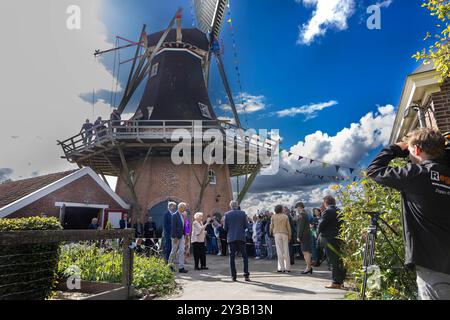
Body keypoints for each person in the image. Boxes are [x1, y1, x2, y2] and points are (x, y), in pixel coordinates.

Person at [366, 128, 450, 300]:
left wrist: (396, 149)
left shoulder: (416, 174)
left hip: (432, 263)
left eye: (410, 150)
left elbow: (374, 170)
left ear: (417, 149)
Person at [318, 195, 346, 289]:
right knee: (338, 260)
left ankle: (336, 282)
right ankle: (340, 281)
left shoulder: (328, 211)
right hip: (338, 238)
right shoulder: (339, 210)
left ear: (326, 202)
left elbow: (321, 225)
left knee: (333, 261)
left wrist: (318, 233)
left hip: (329, 239)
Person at [224, 201, 250, 282]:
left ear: (231, 206)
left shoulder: (227, 214)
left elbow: (225, 228)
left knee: (232, 257)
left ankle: (233, 276)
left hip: (231, 238)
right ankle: (246, 275)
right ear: (237, 205)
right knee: (244, 257)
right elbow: (246, 226)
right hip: (241, 237)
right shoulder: (243, 213)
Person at [270, 205, 291, 273]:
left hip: (277, 234)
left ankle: (281, 268)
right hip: (284, 233)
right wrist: (290, 235)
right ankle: (287, 268)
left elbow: (271, 226)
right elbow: (288, 227)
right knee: (286, 251)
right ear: (281, 209)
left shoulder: (273, 216)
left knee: (279, 251)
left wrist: (271, 232)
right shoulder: (285, 216)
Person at [168, 202, 188, 273]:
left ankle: (181, 267)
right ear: (180, 207)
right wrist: (175, 237)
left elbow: (183, 225)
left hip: (181, 236)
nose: (185, 209)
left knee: (182, 251)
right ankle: (169, 266)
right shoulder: (174, 215)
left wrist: (185, 234)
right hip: (176, 236)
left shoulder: (182, 215)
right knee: (173, 251)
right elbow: (173, 227)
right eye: (184, 207)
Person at [295, 202, 313, 275]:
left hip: (304, 236)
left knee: (305, 252)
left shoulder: (302, 215)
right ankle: (309, 267)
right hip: (306, 235)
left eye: (297, 208)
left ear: (299, 207)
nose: (297, 209)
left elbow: (300, 227)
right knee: (305, 252)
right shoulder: (304, 214)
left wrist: (298, 236)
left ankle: (308, 268)